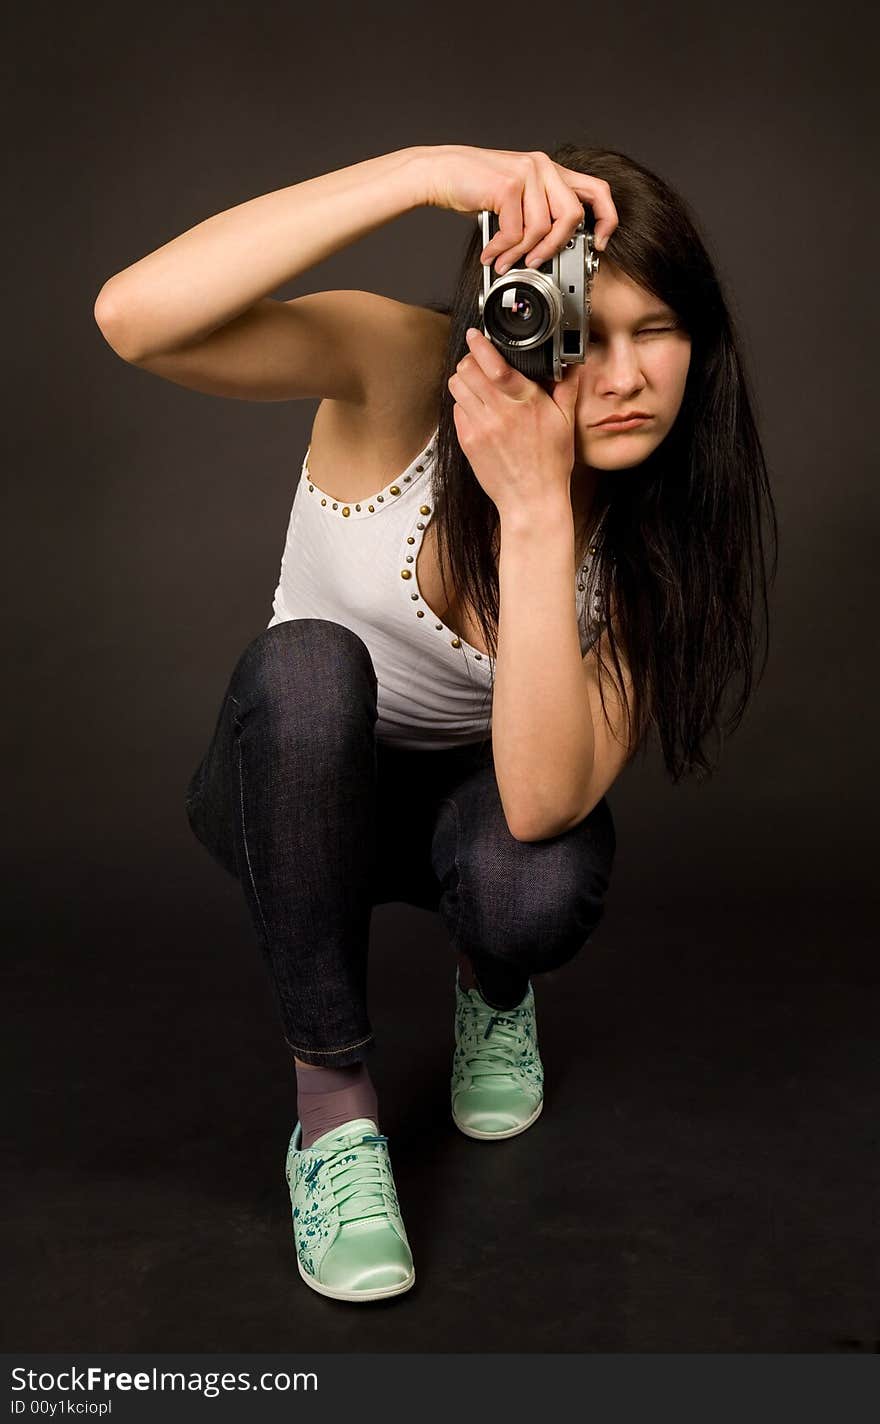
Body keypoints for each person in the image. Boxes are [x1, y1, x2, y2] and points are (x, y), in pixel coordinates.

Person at [94, 143, 777, 1305]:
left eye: (652, 330)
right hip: (291, 782)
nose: (618, 375)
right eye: (579, 327)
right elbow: (133, 318)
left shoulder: (661, 540)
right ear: (509, 317)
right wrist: (420, 171)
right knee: (311, 667)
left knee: (535, 883)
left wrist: (533, 504)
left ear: (697, 343)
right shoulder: (407, 366)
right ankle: (333, 1119)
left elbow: (540, 805)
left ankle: (492, 984)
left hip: (475, 806)